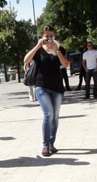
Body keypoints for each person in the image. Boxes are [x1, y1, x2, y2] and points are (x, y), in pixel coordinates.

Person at [23, 26, 70, 156]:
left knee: (55, 117)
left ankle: (51, 143)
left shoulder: (59, 48)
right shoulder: (38, 50)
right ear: (42, 36)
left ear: (55, 36)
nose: (49, 38)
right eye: (46, 36)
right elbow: (26, 60)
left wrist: (57, 51)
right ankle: (45, 146)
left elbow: (66, 65)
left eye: (51, 35)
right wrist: (38, 45)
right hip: (41, 86)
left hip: (57, 88)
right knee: (48, 114)